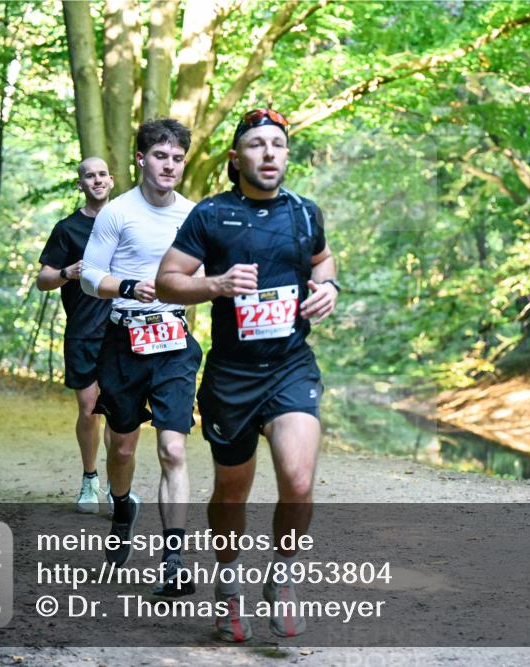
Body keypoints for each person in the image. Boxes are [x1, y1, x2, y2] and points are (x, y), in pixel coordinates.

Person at [156, 108, 340, 641]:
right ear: (237, 158)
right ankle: (229, 583)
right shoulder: (211, 215)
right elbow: (167, 280)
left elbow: (323, 261)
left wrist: (329, 287)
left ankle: (283, 579)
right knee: (231, 494)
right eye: (257, 145)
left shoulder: (306, 214)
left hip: (290, 366)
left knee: (299, 480)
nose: (268, 154)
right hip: (231, 377)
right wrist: (215, 285)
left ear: (286, 155)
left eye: (277, 145)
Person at [80, 119, 202, 596]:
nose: (169, 165)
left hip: (174, 343)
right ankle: (124, 504)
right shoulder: (118, 213)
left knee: (173, 448)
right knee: (123, 448)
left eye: (176, 158)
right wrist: (128, 286)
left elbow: (207, 275)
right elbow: (90, 277)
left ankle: (174, 557)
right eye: (160, 156)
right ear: (141, 159)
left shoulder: (195, 216)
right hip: (124, 341)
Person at [38, 158, 115, 514]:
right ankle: (89, 479)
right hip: (83, 331)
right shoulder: (66, 229)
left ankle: (119, 486)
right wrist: (66, 272)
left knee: (121, 411)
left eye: (101, 174)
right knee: (89, 409)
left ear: (111, 181)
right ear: (80, 184)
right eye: (89, 176)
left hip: (123, 328)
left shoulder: (128, 221)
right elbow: (43, 280)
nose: (96, 180)